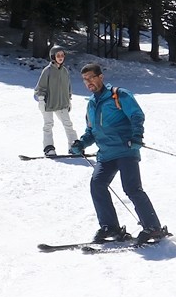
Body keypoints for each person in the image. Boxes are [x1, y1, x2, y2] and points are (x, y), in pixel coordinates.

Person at [70, 62, 169, 244]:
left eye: (91, 77)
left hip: (126, 150)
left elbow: (137, 115)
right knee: (97, 184)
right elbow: (92, 131)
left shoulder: (118, 95)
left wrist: (137, 136)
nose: (88, 82)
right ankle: (110, 227)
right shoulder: (91, 104)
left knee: (132, 188)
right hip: (106, 154)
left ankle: (153, 227)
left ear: (101, 77)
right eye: (85, 79)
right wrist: (81, 143)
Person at [33, 46, 78, 157]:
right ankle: (49, 148)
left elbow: (68, 87)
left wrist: (68, 100)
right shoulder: (47, 71)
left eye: (62, 55)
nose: (60, 58)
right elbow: (41, 87)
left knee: (68, 125)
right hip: (48, 103)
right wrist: (41, 100)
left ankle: (74, 146)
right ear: (53, 57)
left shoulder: (64, 71)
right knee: (48, 124)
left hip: (62, 103)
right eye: (58, 55)